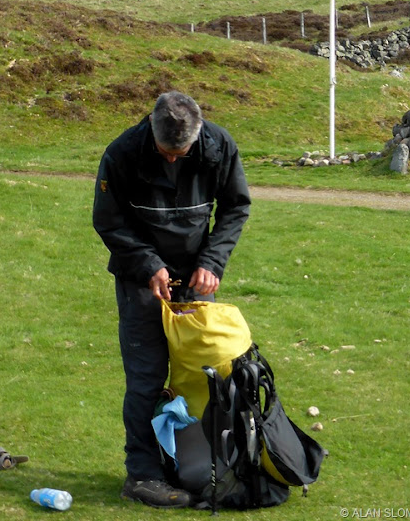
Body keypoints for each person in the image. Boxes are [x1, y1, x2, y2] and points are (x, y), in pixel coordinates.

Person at [93, 91, 251, 508]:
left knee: (206, 376)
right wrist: (149, 266)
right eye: (165, 153)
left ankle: (203, 466)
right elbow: (108, 220)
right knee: (146, 379)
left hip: (200, 277)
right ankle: (143, 475)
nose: (171, 162)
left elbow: (236, 207)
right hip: (140, 280)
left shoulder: (219, 146)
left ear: (197, 137)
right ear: (151, 128)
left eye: (180, 155)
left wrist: (213, 262)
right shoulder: (122, 153)